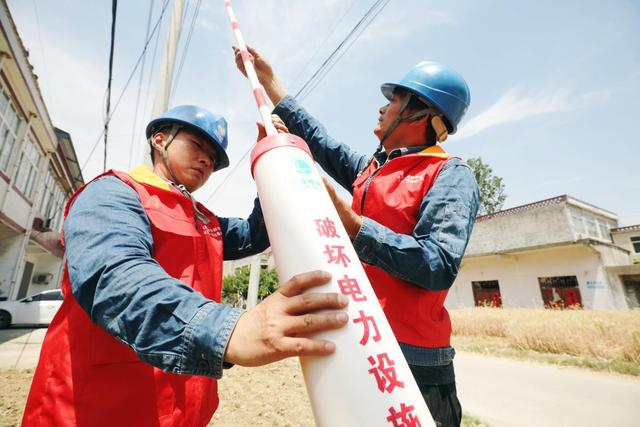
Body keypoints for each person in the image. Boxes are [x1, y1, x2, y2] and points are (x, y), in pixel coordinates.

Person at [22, 105, 349, 427]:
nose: (207, 159)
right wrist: (226, 330)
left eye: (214, 157)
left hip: (183, 411)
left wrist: (268, 162)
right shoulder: (113, 193)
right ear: (160, 140)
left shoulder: (204, 219)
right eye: (197, 145)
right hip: (97, 409)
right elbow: (113, 276)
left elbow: (254, 235)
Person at [235, 46, 479, 427]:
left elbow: (438, 264)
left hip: (414, 358)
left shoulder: (449, 174)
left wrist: (355, 226)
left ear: (421, 114)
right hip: (364, 339)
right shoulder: (374, 170)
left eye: (394, 99)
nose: (382, 107)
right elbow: (320, 141)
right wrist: (269, 81)